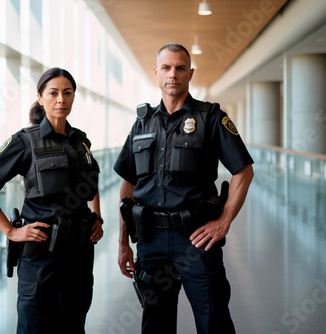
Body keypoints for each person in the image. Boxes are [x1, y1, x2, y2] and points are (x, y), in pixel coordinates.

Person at [113, 43, 254, 334]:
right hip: (150, 239)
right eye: (166, 67)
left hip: (196, 240)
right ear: (156, 73)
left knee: (212, 319)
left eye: (180, 68)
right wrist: (123, 242)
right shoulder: (141, 124)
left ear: (190, 73)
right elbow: (128, 183)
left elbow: (243, 171)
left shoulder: (210, 118)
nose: (172, 74)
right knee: (156, 323)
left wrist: (223, 222)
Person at [0, 67, 104, 334]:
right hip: (43, 253)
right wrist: (11, 231)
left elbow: (92, 184)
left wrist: (97, 216)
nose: (61, 100)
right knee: (36, 326)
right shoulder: (25, 141)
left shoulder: (81, 141)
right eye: (53, 93)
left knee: (74, 324)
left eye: (68, 93)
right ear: (40, 97)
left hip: (78, 254)